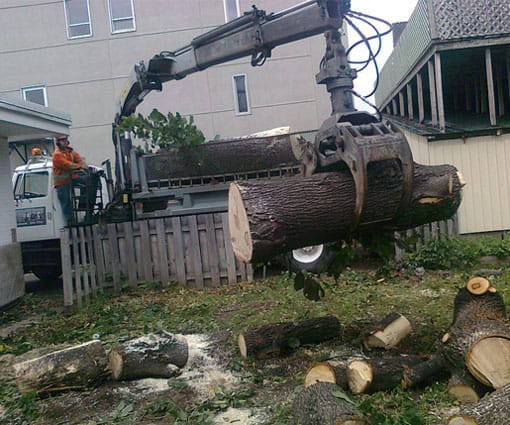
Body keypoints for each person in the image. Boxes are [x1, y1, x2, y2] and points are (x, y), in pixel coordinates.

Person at [52, 135, 88, 226]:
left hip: (72, 178)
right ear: (58, 142)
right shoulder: (57, 155)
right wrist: (79, 166)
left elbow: (80, 160)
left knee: (87, 181)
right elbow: (67, 164)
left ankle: (83, 204)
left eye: (65, 140)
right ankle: (70, 222)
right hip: (61, 182)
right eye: (62, 140)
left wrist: (83, 164)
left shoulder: (71, 152)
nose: (64, 142)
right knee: (66, 202)